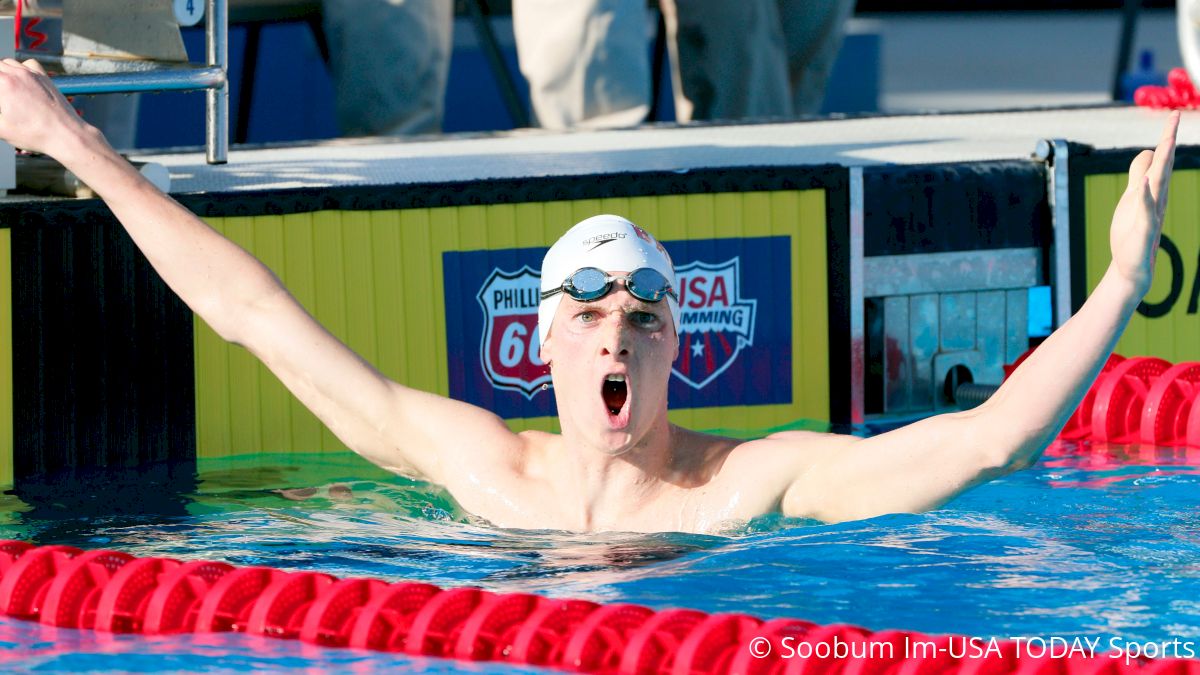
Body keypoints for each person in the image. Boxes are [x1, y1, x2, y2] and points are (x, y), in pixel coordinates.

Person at [0, 58, 1178, 533]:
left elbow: (987, 447)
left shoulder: (749, 485)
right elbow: (251, 314)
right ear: (544, 340)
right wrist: (74, 142)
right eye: (596, 307)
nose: (623, 326)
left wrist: (1122, 276)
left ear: (681, 350)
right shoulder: (478, 468)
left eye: (649, 313)